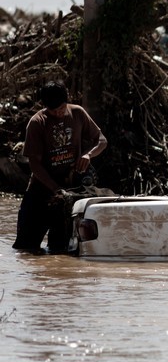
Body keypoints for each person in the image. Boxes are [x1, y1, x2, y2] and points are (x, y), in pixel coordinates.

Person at [13, 80, 107, 254]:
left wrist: (88, 155)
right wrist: (56, 189)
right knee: (26, 250)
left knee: (60, 252)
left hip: (68, 195)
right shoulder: (37, 123)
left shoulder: (78, 113)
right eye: (53, 111)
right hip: (40, 193)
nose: (58, 113)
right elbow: (34, 164)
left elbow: (101, 141)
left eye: (61, 108)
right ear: (45, 107)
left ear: (67, 101)